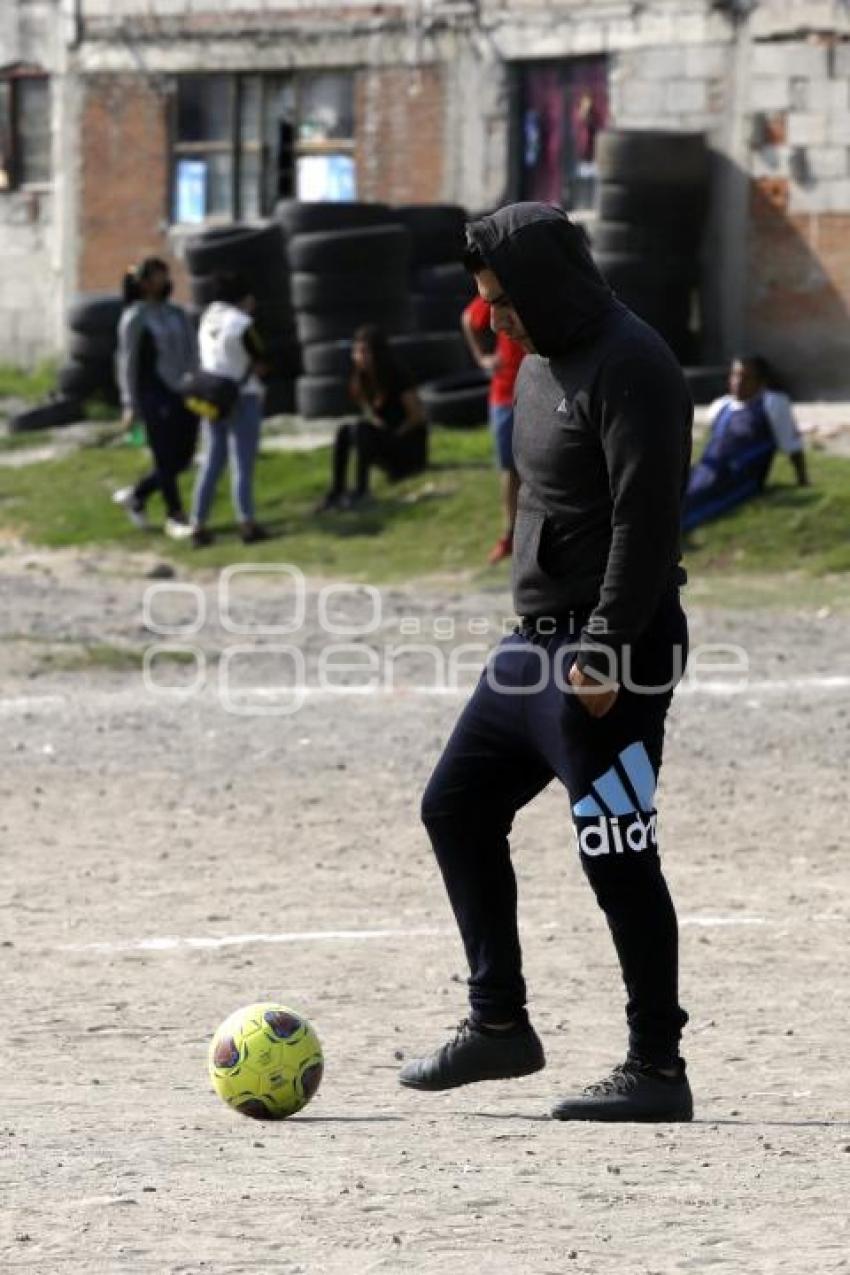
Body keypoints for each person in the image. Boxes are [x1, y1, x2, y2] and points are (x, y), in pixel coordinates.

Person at [399, 203, 695, 1123]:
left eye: (500, 299)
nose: (492, 318)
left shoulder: (632, 363)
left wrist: (605, 645)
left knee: (616, 853)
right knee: (455, 806)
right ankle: (500, 1025)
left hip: (612, 651)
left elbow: (646, 523)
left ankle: (656, 1067)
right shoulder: (538, 362)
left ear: (543, 284)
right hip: (533, 648)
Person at [113, 257, 199, 538]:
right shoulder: (135, 317)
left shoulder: (177, 313)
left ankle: (137, 495)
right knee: (164, 455)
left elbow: (192, 350)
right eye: (158, 276)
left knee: (183, 456)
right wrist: (129, 403)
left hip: (183, 389)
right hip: (154, 392)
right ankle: (175, 515)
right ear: (145, 283)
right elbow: (127, 362)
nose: (165, 281)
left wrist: (197, 381)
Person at [683, 355, 808, 532]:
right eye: (735, 375)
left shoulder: (772, 404)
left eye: (746, 377)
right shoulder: (723, 405)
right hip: (706, 470)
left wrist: (802, 480)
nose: (738, 382)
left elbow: (792, 445)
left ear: (761, 382)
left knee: (686, 501)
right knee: (665, 489)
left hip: (739, 477)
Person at [190, 273, 269, 548]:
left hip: (210, 395)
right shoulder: (242, 324)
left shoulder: (207, 318)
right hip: (241, 396)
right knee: (242, 464)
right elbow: (260, 360)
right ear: (244, 297)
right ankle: (246, 522)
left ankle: (198, 523)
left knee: (211, 462)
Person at [315, 326, 427, 512]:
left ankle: (362, 490)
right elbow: (371, 414)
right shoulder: (362, 379)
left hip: (409, 447)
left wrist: (392, 435)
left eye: (364, 351)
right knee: (345, 430)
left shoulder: (397, 375)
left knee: (361, 429)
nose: (359, 356)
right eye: (356, 351)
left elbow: (417, 417)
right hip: (388, 441)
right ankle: (337, 491)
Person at [461, 292, 526, 564]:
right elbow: (468, 318)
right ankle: (511, 534)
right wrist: (482, 359)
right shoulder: (499, 292)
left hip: (539, 388)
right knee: (509, 470)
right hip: (504, 392)